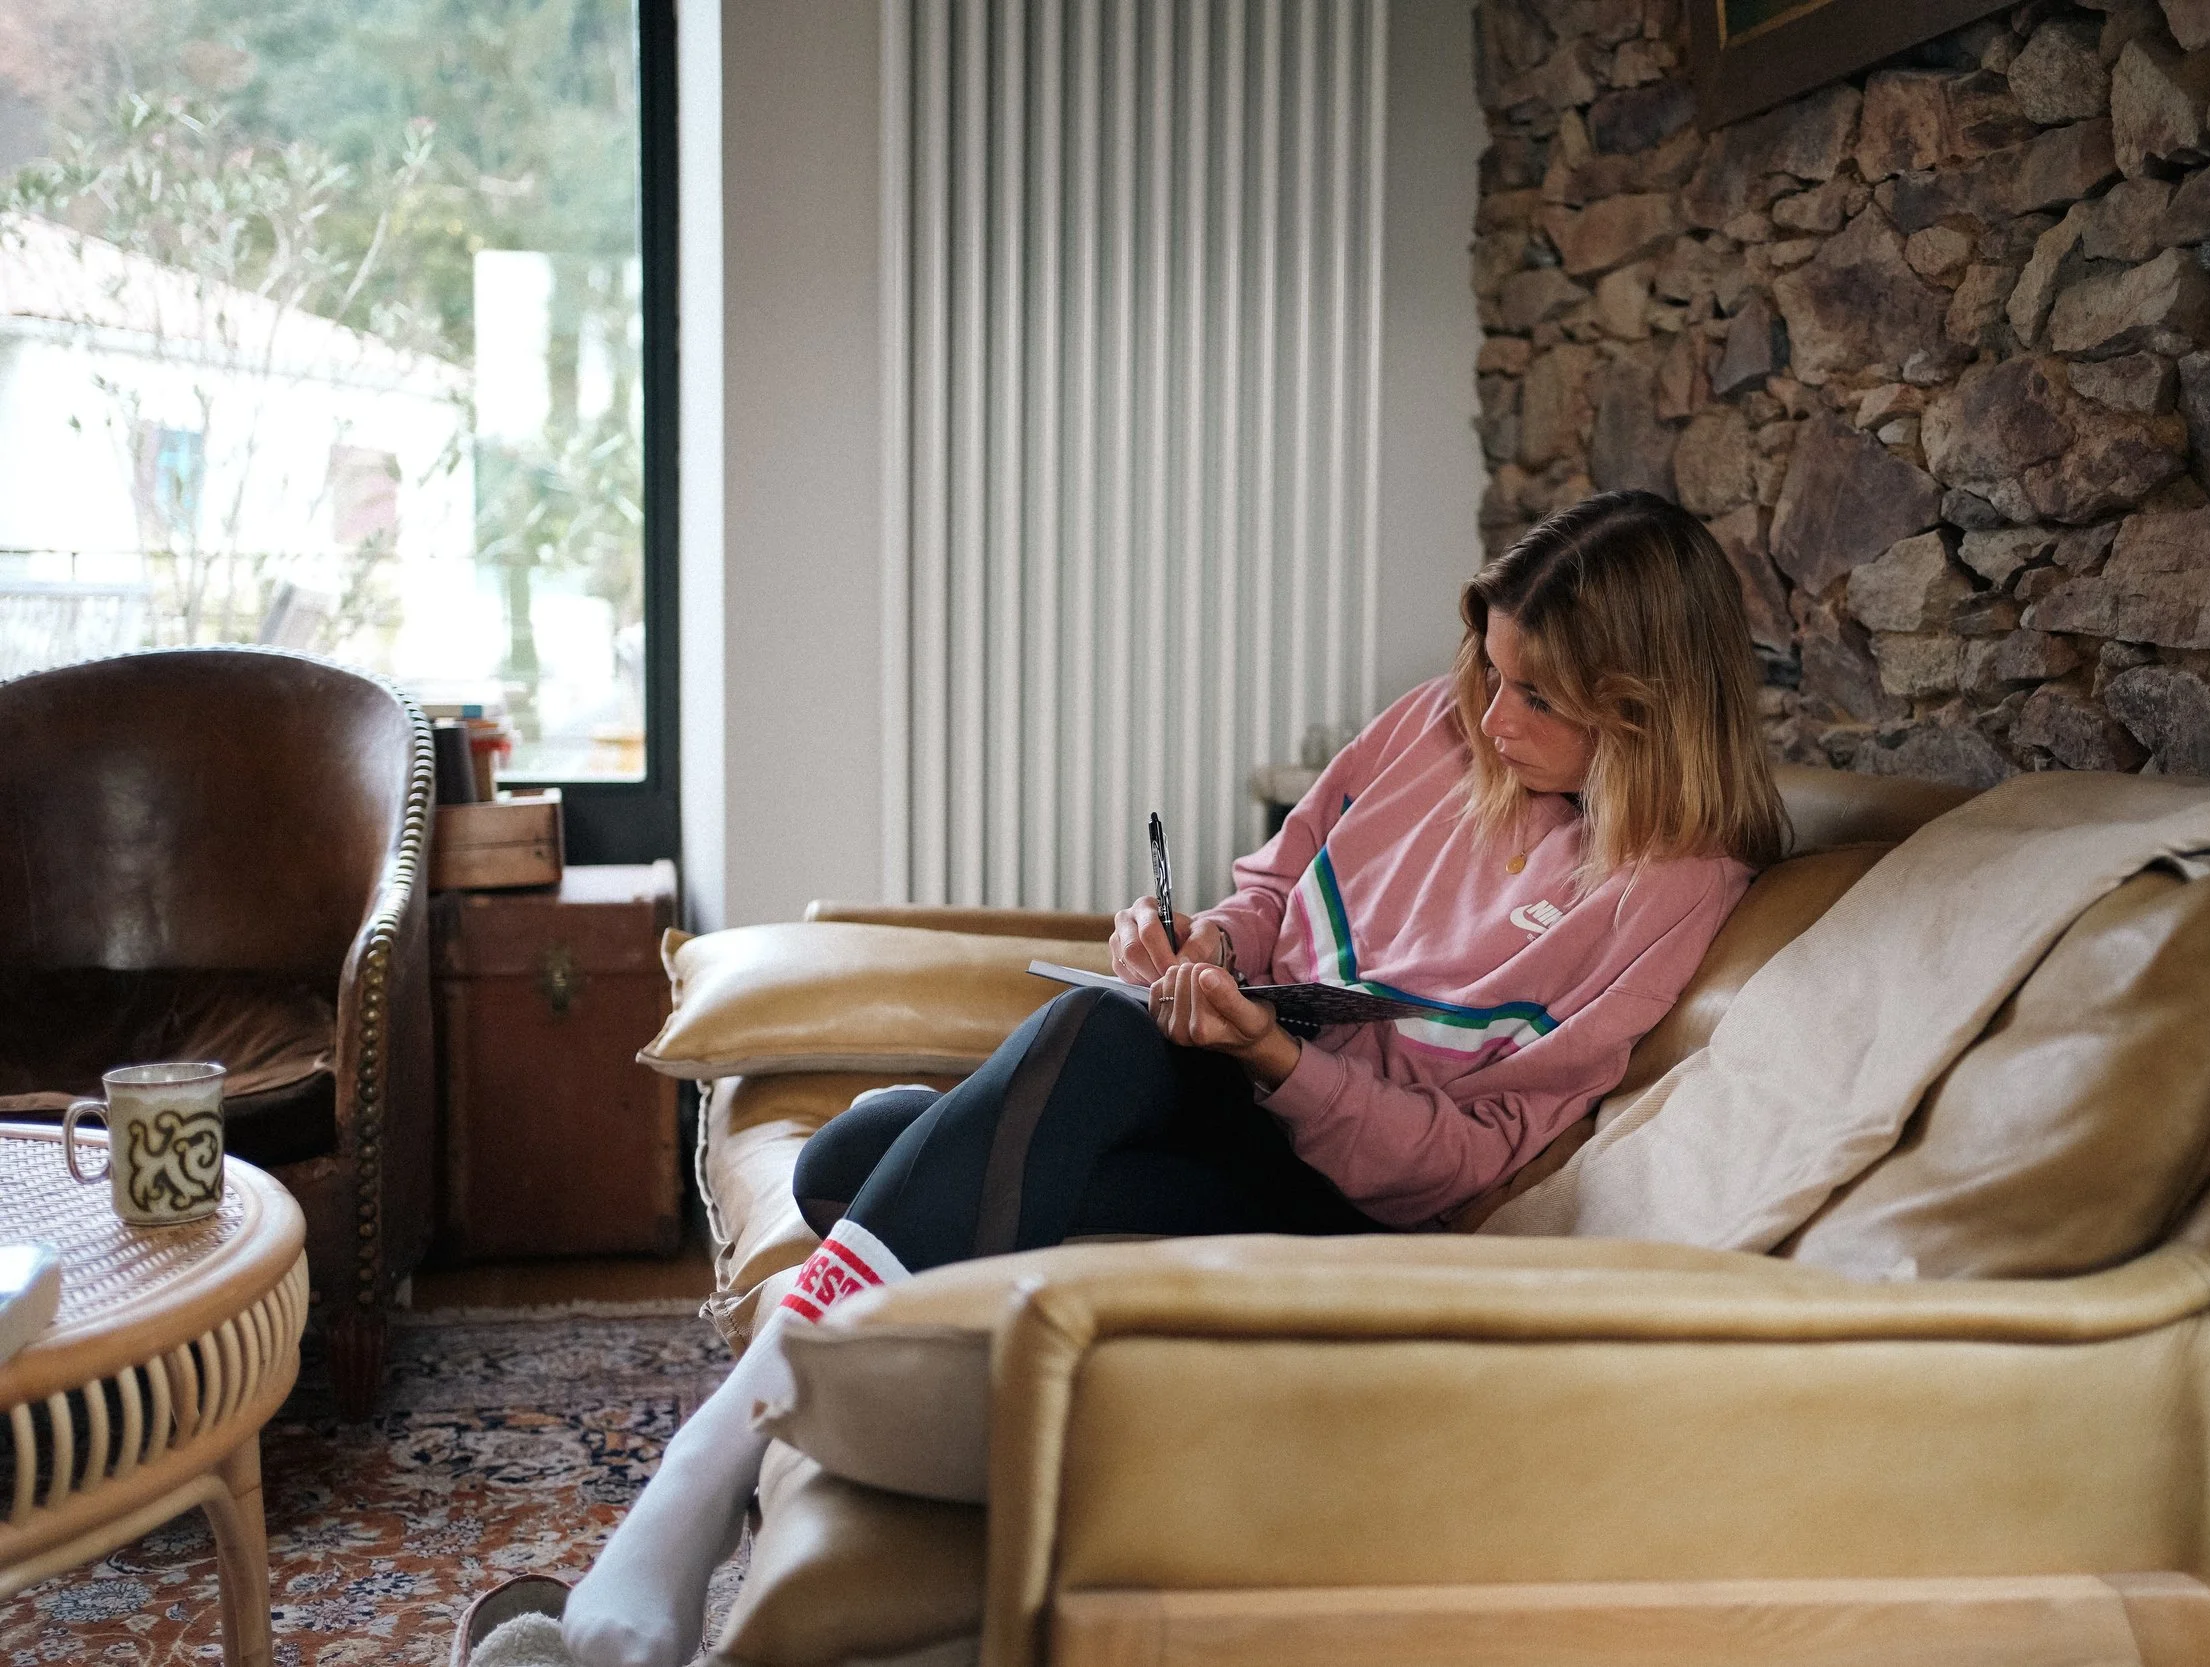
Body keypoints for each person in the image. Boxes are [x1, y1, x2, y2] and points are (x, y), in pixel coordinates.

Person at [564, 489, 1787, 1667]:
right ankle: (784, 1398)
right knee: (863, 1150)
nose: (1491, 714)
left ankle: (711, 1458)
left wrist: (1277, 1059)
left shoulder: (1672, 886)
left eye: (1538, 697)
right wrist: (1202, 947)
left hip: (1349, 1205)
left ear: (1642, 711)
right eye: (1490, 664)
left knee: (933, 1131)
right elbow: (1269, 886)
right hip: (1230, 1104)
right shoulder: (1438, 724)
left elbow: (1476, 1150)